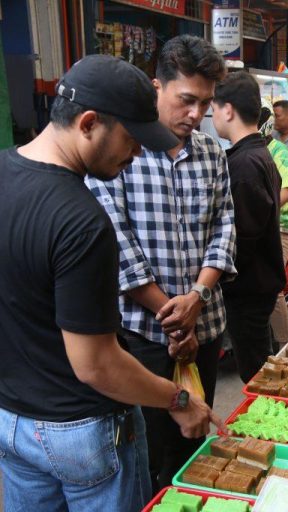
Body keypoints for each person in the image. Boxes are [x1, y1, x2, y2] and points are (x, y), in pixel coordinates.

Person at [0, 54, 223, 511]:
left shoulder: (4, 172)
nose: (138, 152)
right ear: (88, 123)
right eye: (131, 138)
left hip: (12, 420)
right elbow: (96, 365)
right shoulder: (81, 221)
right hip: (82, 431)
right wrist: (179, 399)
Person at [86, 35, 236, 492]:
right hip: (145, 334)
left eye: (205, 104)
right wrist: (170, 316)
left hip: (204, 324)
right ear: (157, 88)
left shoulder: (211, 152)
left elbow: (224, 226)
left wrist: (197, 297)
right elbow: (116, 241)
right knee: (148, 445)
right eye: (186, 100)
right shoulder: (123, 149)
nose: (195, 114)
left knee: (193, 438)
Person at [211, 71, 285, 384]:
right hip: (258, 283)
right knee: (260, 364)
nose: (212, 116)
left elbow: (242, 238)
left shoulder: (243, 164)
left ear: (228, 110)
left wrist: (214, 275)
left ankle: (274, 429)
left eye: (212, 108)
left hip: (249, 287)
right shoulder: (259, 154)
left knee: (255, 374)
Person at [259, 103, 288, 346]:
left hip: (279, 227)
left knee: (273, 287)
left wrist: (259, 209)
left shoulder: (279, 150)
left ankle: (284, 345)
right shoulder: (237, 149)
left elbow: (286, 191)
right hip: (254, 229)